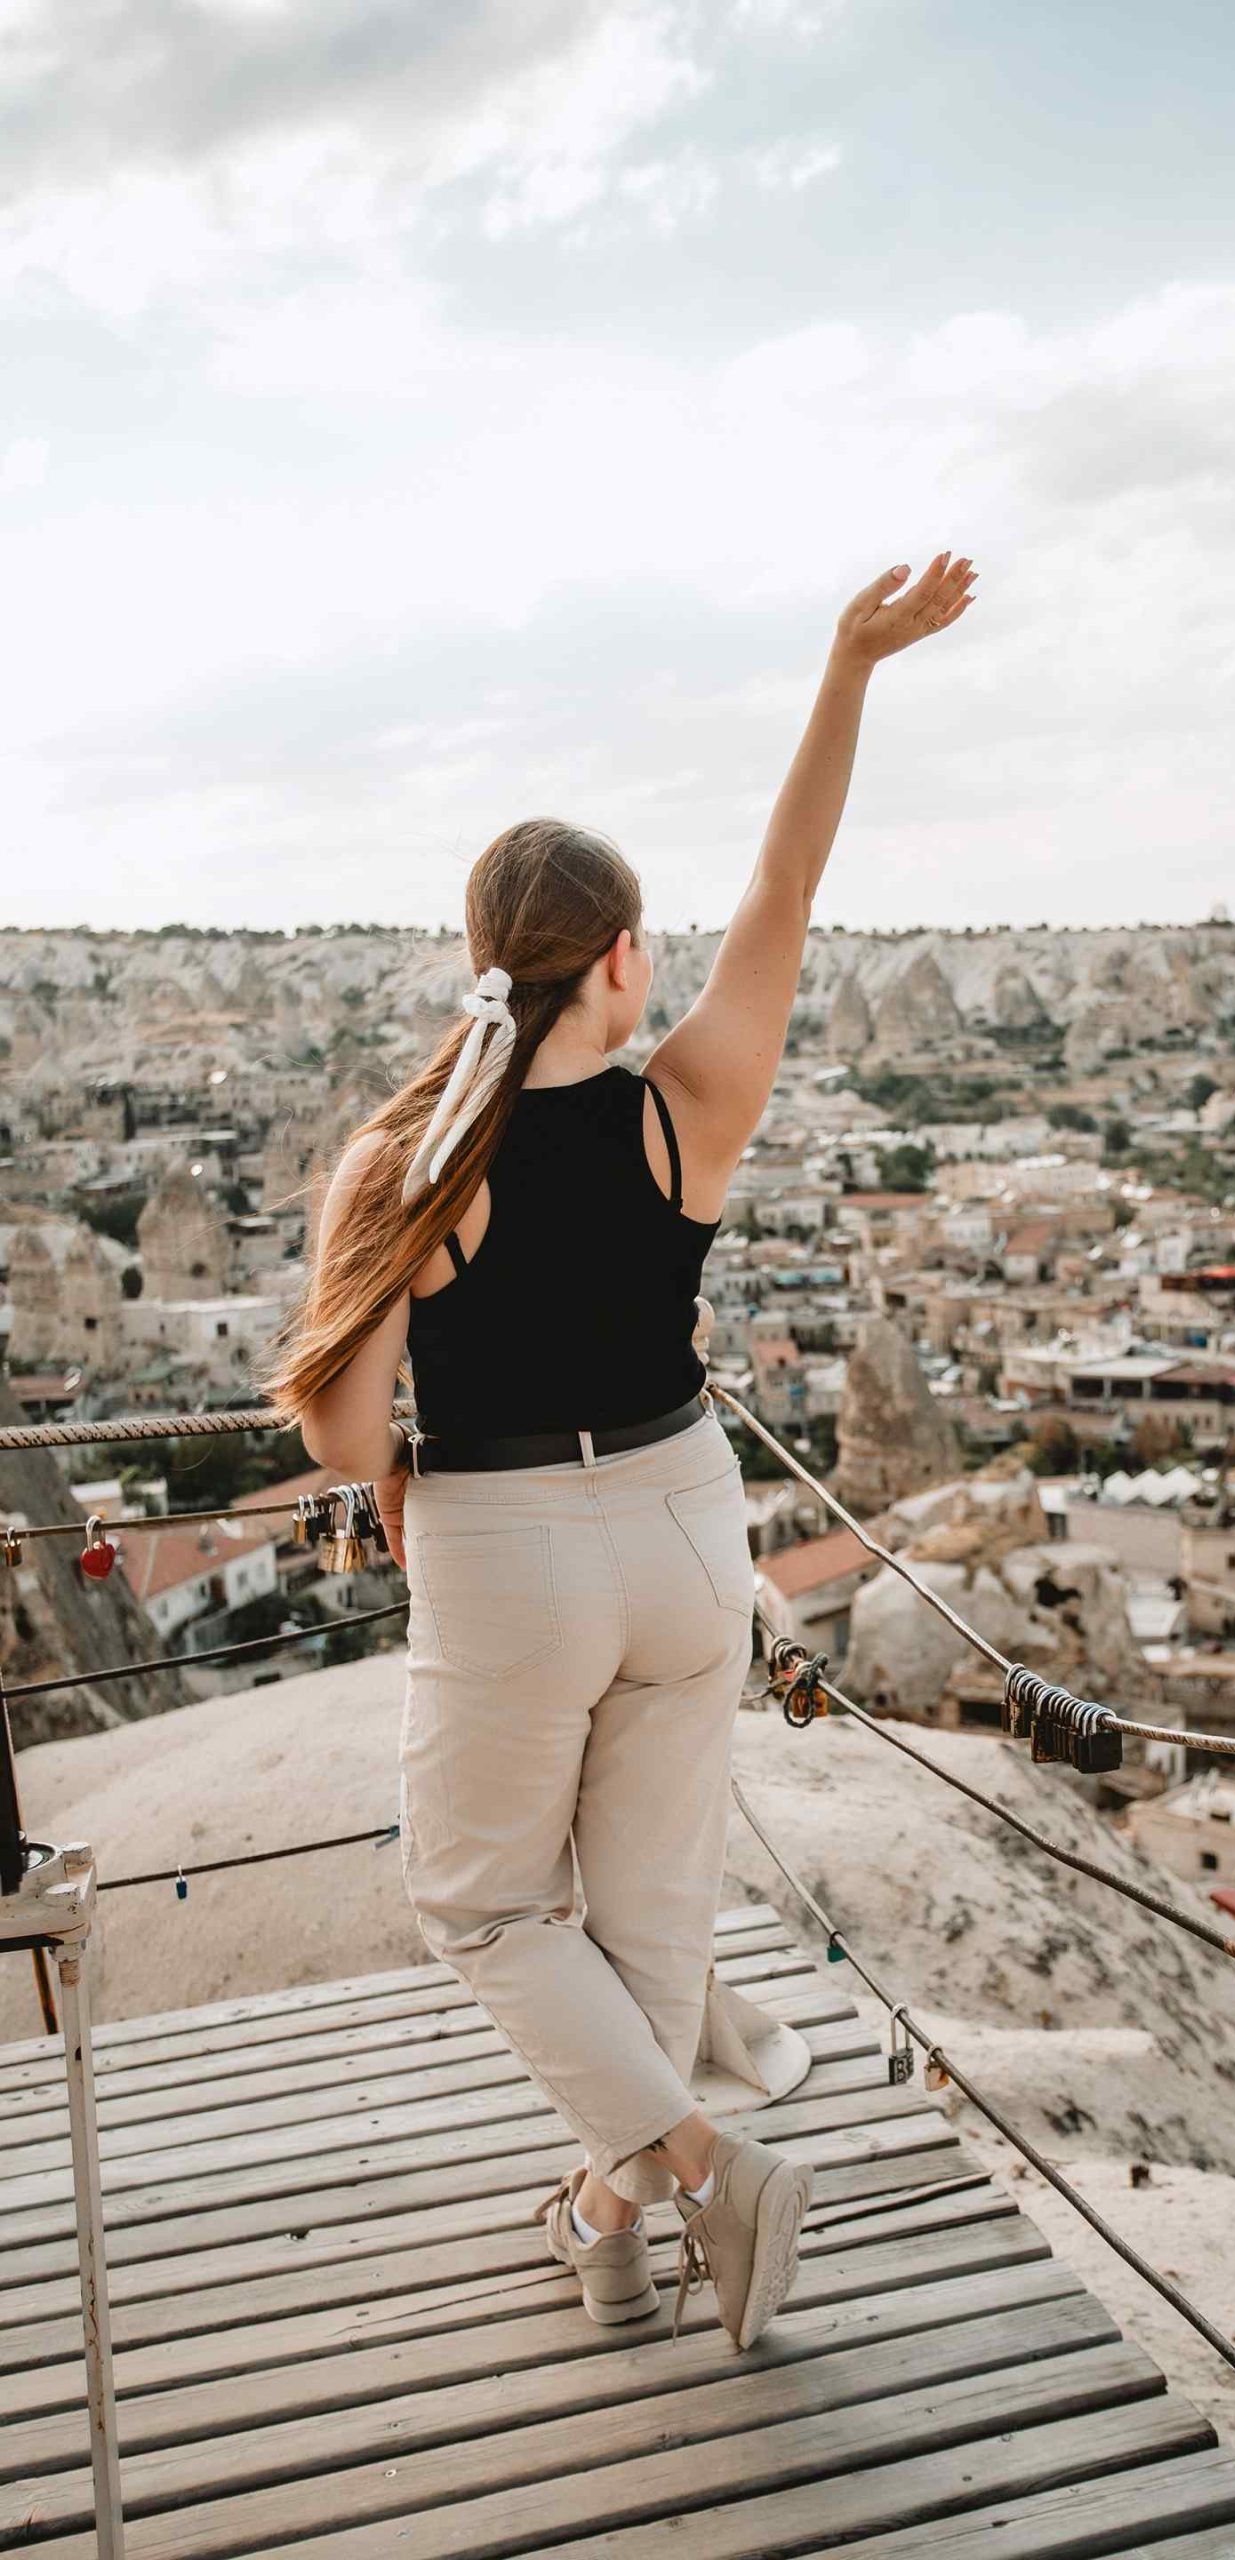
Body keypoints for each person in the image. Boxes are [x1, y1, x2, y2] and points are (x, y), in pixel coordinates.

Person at [259, 548, 978, 2351]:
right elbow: (790, 884)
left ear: (485, 963)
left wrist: (403, 1393)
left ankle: (703, 2171)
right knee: (650, 1915)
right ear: (626, 960)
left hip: (507, 1544)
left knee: (484, 1902)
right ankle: (607, 2222)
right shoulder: (688, 1109)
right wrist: (848, 662)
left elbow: (353, 1438)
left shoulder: (405, 1162)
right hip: (687, 1522)